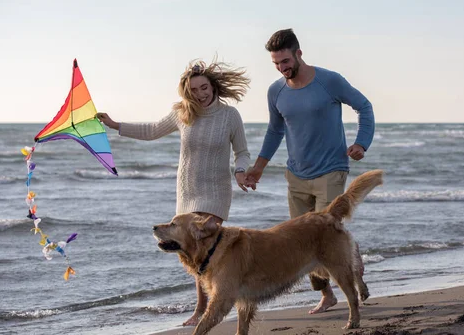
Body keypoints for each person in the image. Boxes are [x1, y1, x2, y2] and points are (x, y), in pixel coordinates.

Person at [96, 59, 251, 326]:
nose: (201, 94)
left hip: (216, 191)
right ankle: (205, 307)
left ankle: (215, 303)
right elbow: (152, 130)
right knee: (192, 254)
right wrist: (115, 124)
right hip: (188, 190)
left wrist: (240, 170)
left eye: (204, 88)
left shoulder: (229, 116)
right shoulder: (182, 112)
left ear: (213, 86)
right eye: (194, 90)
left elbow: (242, 152)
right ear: (187, 92)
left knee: (210, 250)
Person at [245, 28, 375, 315]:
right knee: (301, 241)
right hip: (296, 175)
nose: (282, 68)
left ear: (299, 53)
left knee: (326, 234)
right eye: (276, 64)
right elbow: (275, 131)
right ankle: (327, 294)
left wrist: (361, 143)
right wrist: (257, 168)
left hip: (331, 170)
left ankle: (352, 268)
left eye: (286, 61)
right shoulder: (276, 91)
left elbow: (364, 107)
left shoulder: (330, 81)